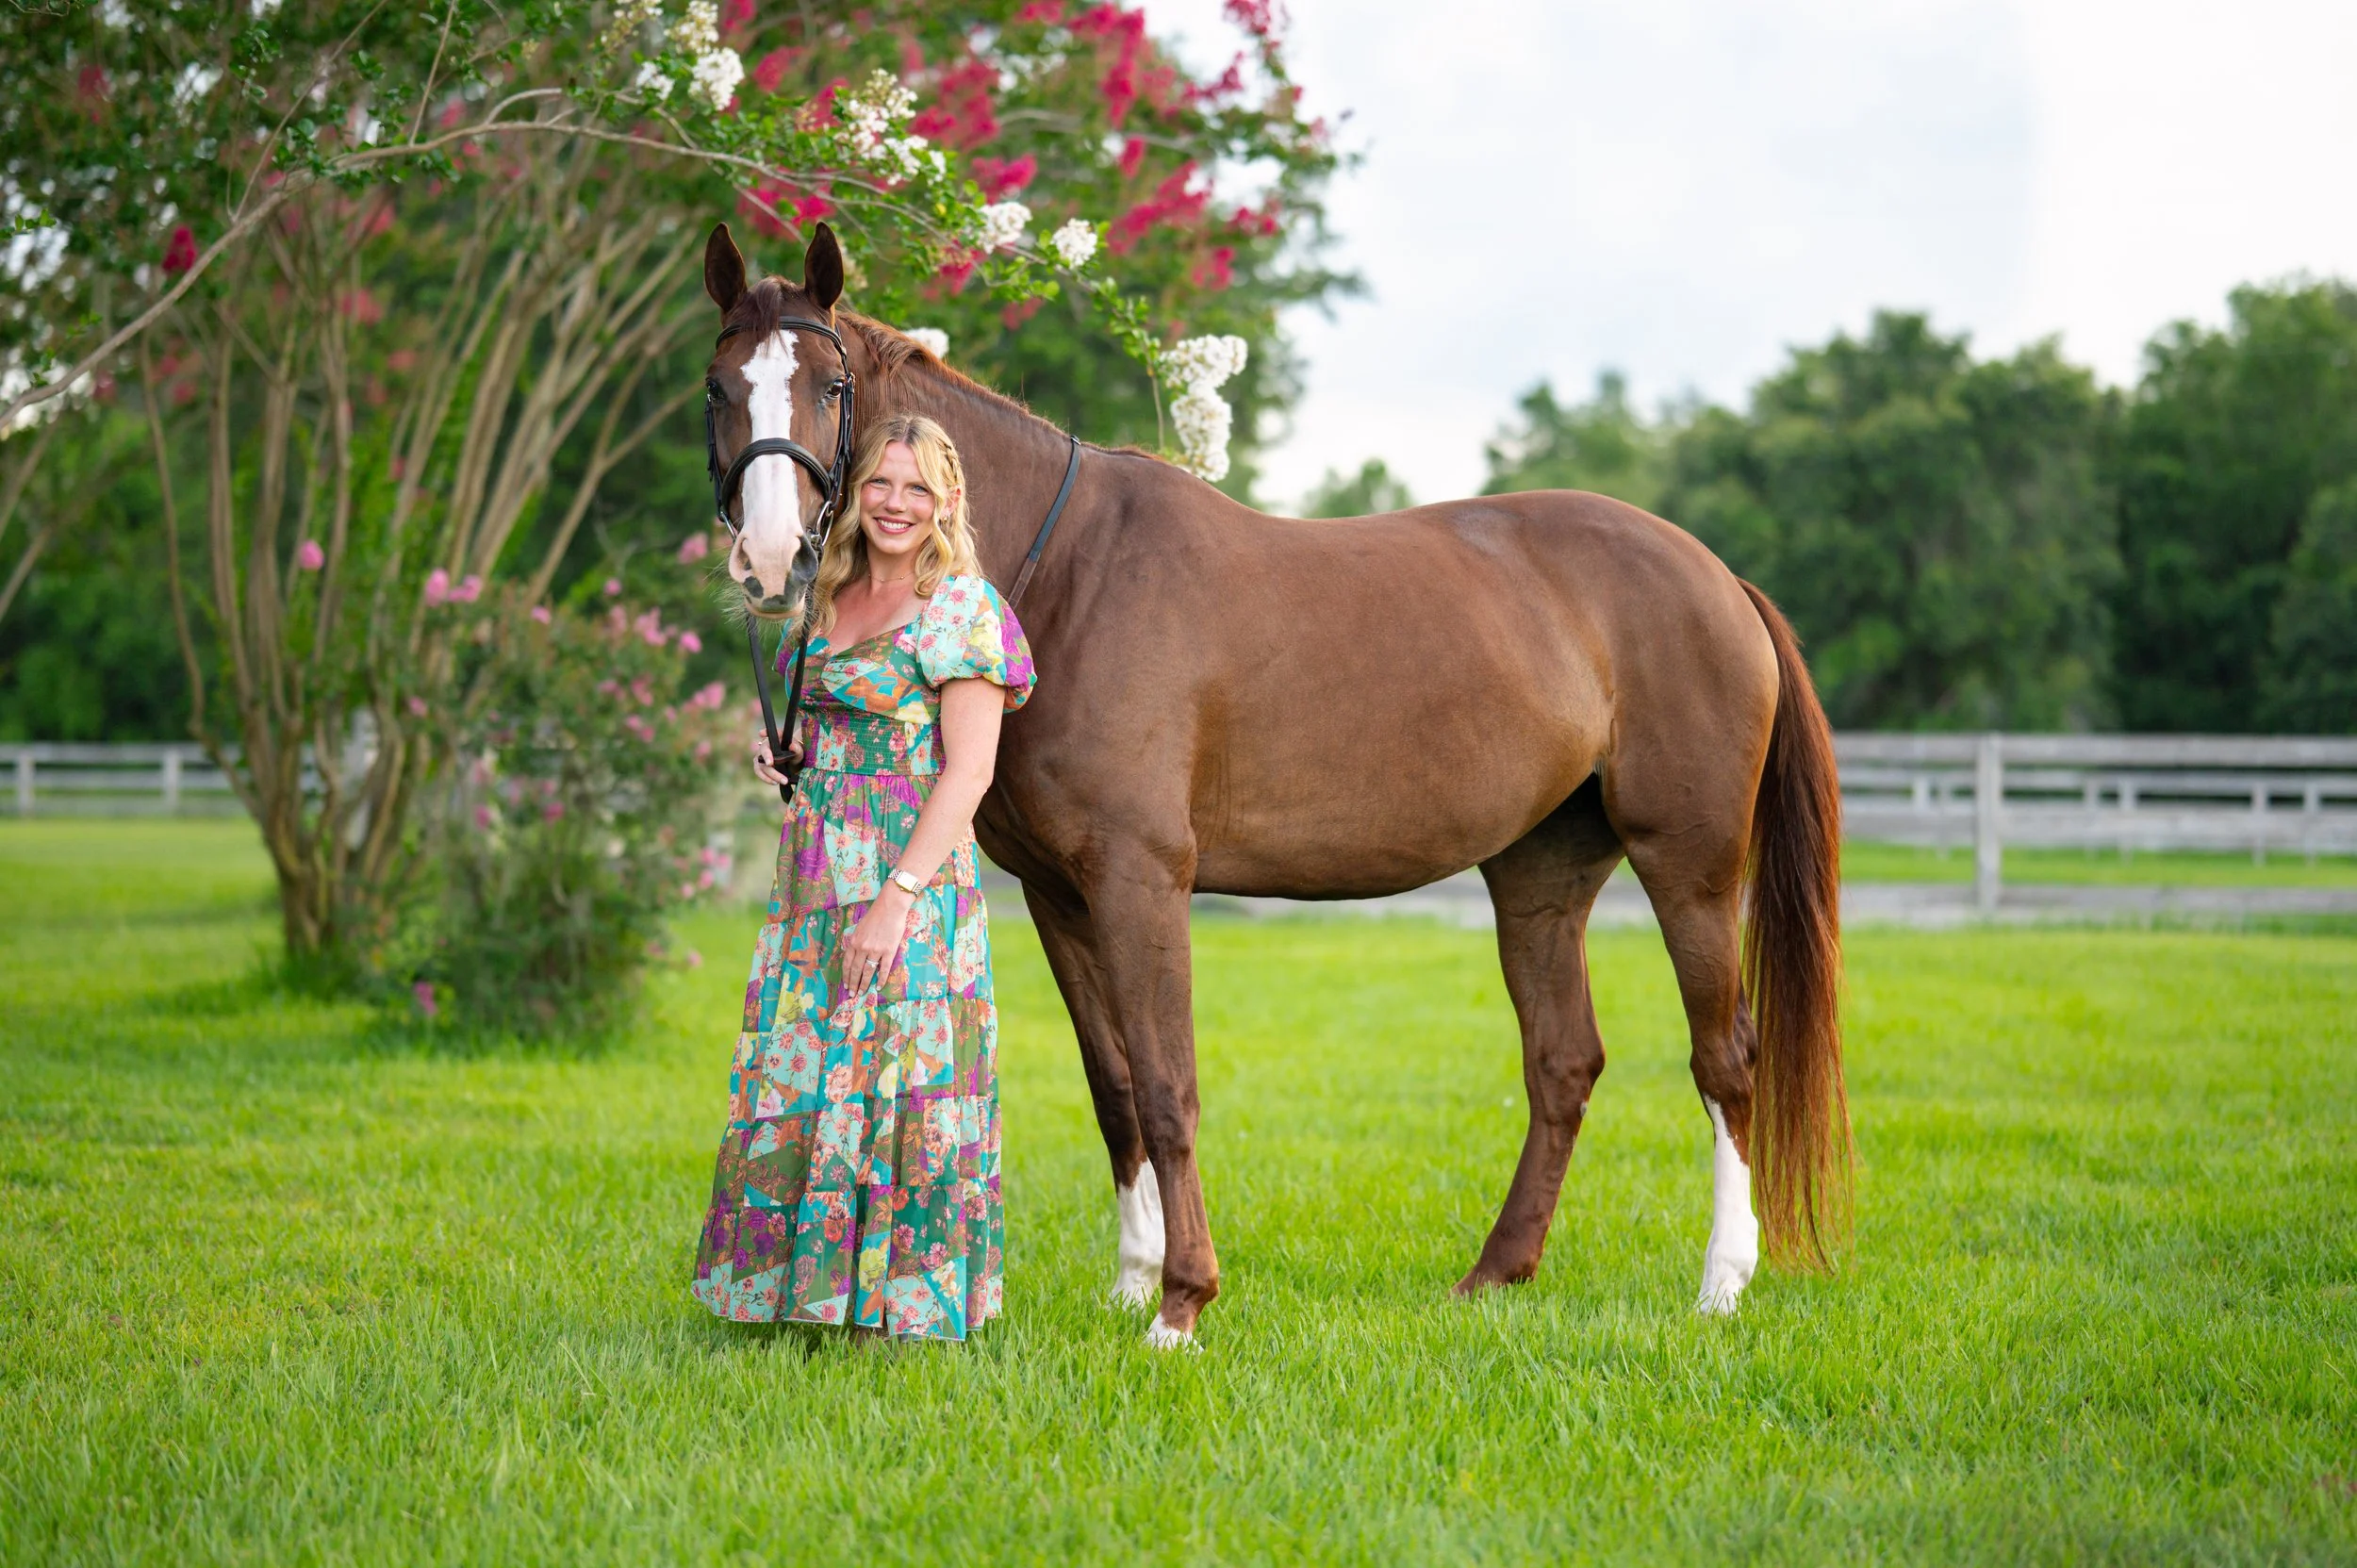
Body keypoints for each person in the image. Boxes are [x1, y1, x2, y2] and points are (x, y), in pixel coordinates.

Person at [692, 413, 1034, 1342]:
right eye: (881, 483)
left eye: (917, 487)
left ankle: (902, 1302)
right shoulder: (827, 596)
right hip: (812, 872)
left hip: (908, 877)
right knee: (810, 1063)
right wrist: (781, 756)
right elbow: (818, 726)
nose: (894, 503)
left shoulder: (963, 609)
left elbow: (970, 771)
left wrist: (898, 898)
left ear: (947, 502)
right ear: (856, 494)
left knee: (899, 1073)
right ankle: (805, 1294)